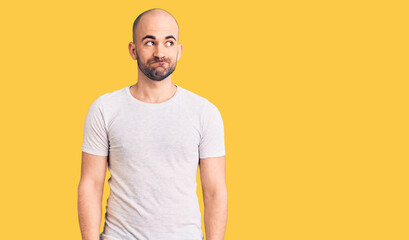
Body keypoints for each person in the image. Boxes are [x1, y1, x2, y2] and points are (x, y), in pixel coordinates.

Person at [78, 8, 228, 240]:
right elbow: (91, 183)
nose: (160, 52)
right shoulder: (105, 108)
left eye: (169, 42)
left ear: (179, 50)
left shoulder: (204, 112)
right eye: (150, 42)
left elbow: (215, 191)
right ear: (133, 49)